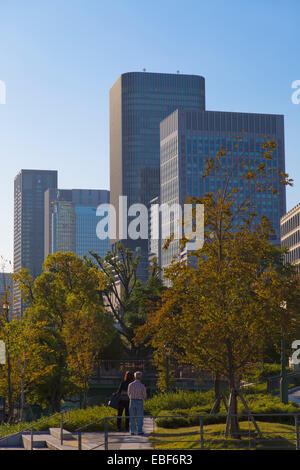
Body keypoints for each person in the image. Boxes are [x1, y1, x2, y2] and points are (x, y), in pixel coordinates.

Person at [128, 371, 147, 435]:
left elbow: (129, 393)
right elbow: (144, 396)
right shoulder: (142, 386)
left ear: (134, 377)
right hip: (139, 401)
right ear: (141, 377)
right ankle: (139, 431)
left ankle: (132, 431)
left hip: (132, 400)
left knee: (132, 417)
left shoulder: (130, 385)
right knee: (140, 417)